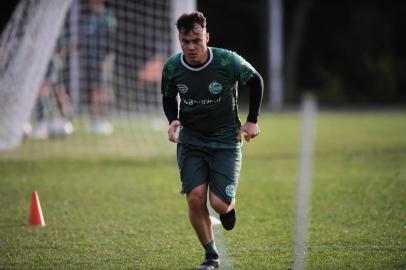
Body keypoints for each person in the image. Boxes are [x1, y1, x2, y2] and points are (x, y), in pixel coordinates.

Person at [161, 12, 264, 270]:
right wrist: (173, 119)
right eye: (185, 41)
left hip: (226, 141)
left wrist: (252, 120)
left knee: (219, 204)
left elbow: (256, 81)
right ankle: (211, 256)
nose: (191, 47)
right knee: (195, 198)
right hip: (192, 141)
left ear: (206, 37)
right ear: (179, 40)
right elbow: (168, 95)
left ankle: (228, 208)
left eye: (196, 40)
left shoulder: (227, 61)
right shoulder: (173, 67)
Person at [82, 0, 116, 135]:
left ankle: (104, 121)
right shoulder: (90, 18)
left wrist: (107, 61)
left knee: (104, 90)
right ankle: (95, 120)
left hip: (104, 59)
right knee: (95, 90)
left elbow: (111, 42)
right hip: (92, 60)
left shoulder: (107, 17)